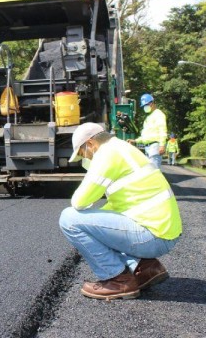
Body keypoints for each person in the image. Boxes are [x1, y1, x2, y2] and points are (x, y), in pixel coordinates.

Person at [59, 122, 182, 300]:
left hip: (153, 236)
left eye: (83, 153)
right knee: (98, 226)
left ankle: (118, 280)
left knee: (68, 219)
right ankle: (145, 268)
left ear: (91, 144)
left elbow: (78, 201)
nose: (86, 159)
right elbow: (117, 207)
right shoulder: (123, 148)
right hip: (163, 231)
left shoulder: (106, 154)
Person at [128, 93, 167, 168]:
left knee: (154, 171)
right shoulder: (148, 117)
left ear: (152, 103)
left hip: (155, 146)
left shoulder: (159, 114)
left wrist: (162, 145)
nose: (145, 107)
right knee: (150, 171)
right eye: (143, 106)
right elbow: (146, 136)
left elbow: (163, 131)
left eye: (146, 105)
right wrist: (135, 141)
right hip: (148, 147)